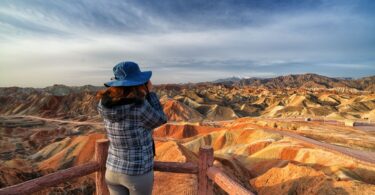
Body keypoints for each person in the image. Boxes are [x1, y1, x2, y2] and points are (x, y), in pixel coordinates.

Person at [96, 61, 167, 195]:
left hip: (112, 170)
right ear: (138, 83)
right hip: (137, 172)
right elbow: (161, 119)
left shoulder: (103, 105)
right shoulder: (139, 107)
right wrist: (150, 93)